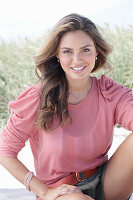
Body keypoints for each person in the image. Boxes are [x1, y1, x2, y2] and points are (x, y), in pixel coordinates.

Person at [0, 13, 133, 200]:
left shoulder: (108, 91)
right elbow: (5, 152)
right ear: (57, 55)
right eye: (67, 51)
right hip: (62, 192)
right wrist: (44, 191)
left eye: (85, 50)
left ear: (96, 52)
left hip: (106, 181)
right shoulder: (38, 98)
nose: (77, 60)